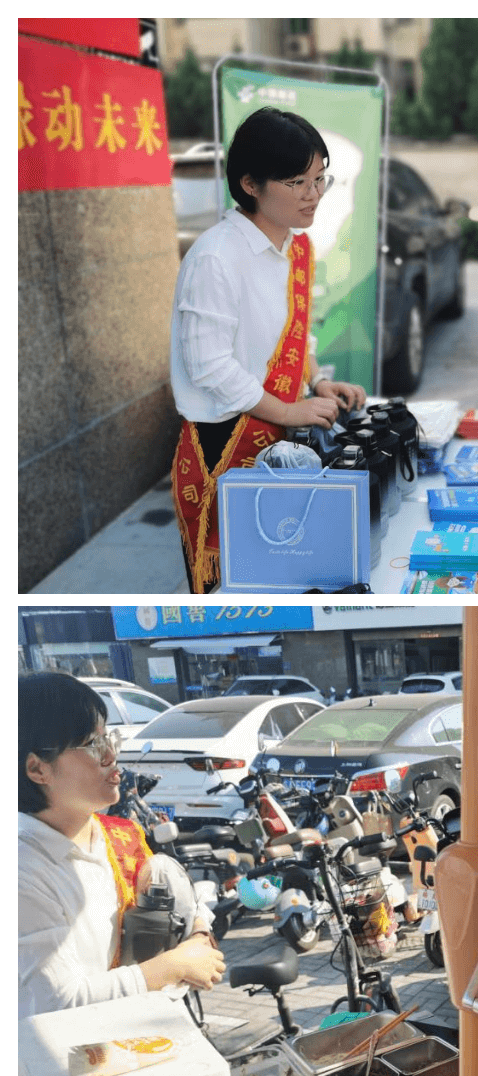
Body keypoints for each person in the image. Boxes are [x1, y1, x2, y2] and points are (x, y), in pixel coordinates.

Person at [170, 107, 367, 593]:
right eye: (297, 182)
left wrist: (318, 381)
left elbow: (296, 335)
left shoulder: (295, 247)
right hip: (223, 447)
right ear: (251, 184)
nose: (313, 195)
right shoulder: (216, 258)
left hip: (279, 435)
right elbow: (209, 367)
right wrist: (289, 408)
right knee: (240, 583)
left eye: (320, 178)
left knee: (291, 567)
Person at [19, 672, 226, 1020]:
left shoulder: (120, 835)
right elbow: (54, 1004)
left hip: (143, 1036)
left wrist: (199, 935)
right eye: (91, 744)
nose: (111, 754)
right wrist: (171, 966)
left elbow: (172, 904)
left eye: (109, 738)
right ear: (37, 768)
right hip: (70, 1064)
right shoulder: (21, 871)